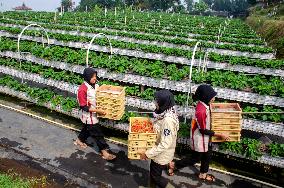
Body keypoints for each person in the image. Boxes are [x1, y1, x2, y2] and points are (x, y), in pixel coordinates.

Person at [167, 84, 229, 182]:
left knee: (207, 155)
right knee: (195, 158)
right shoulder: (201, 111)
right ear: (206, 97)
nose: (214, 98)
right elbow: (202, 130)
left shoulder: (205, 104)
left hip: (206, 137)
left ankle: (203, 174)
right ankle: (174, 165)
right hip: (200, 137)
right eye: (212, 96)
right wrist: (220, 134)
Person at [74, 67, 116, 161]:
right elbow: (84, 106)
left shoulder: (95, 85)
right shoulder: (82, 89)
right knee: (98, 134)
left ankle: (79, 140)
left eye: (95, 76)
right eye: (93, 77)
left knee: (87, 129)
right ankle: (104, 152)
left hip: (95, 113)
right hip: (89, 116)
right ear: (87, 77)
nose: (95, 78)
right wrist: (98, 111)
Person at [139, 90, 179, 188]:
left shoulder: (167, 120)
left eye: (156, 101)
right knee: (154, 173)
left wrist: (148, 154)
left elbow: (165, 143)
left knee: (156, 177)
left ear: (163, 102)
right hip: (157, 150)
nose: (154, 102)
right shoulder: (165, 111)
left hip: (161, 154)